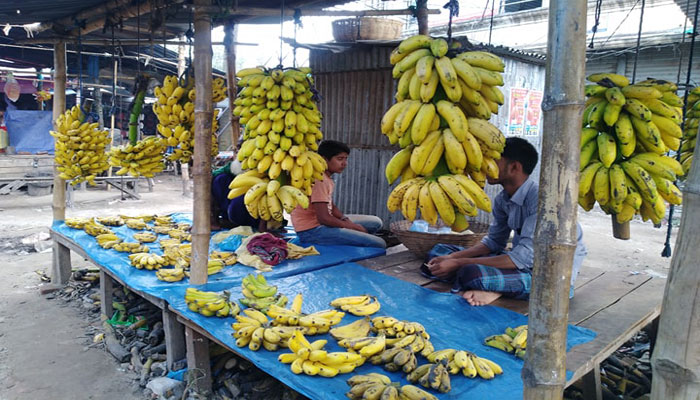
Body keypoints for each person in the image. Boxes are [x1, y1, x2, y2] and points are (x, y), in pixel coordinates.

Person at [425, 137, 587, 306]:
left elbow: (521, 259)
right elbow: (494, 242)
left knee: (471, 273)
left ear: (514, 167)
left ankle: (495, 290)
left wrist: (458, 262)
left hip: (549, 277)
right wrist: (452, 257)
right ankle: (495, 287)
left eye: (492, 162)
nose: (484, 166)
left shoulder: (543, 201)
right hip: (519, 263)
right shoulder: (503, 198)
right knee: (438, 252)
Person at [291, 140, 386, 248]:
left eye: (346, 159)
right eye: (340, 159)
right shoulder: (319, 180)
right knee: (380, 243)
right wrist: (351, 227)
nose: (344, 164)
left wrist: (345, 219)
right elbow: (324, 218)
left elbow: (331, 205)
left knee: (376, 222)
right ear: (324, 159)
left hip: (323, 223)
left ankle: (357, 236)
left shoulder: (326, 178)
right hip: (312, 231)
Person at [210, 158, 268, 232]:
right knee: (220, 179)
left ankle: (248, 223)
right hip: (229, 207)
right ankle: (218, 221)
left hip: (252, 213)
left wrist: (263, 227)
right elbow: (216, 174)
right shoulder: (234, 167)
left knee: (238, 203)